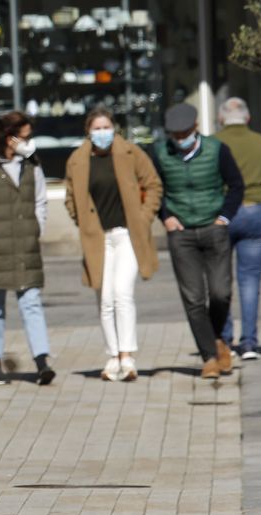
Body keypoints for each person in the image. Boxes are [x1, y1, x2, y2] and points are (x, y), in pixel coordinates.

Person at [63, 107, 164, 382]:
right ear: (88, 131)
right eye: (96, 128)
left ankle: (127, 356)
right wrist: (81, 221)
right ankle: (112, 355)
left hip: (128, 235)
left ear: (114, 128)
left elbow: (153, 184)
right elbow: (71, 197)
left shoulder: (131, 153)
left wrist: (143, 218)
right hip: (98, 238)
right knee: (105, 298)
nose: (102, 133)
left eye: (106, 127)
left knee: (122, 293)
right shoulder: (78, 160)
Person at [152, 102, 245, 379]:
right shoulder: (159, 153)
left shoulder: (217, 150)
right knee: (193, 297)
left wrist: (224, 218)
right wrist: (165, 217)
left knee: (220, 291)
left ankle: (217, 339)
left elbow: (236, 185)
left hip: (213, 227)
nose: (180, 140)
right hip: (181, 233)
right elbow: (153, 188)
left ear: (195, 128)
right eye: (175, 136)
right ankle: (209, 356)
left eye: (184, 134)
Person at [0, 111, 56, 386]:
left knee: (31, 303)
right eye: (24, 137)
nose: (29, 142)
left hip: (25, 244)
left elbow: (41, 201)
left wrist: (36, 226)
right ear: (9, 137)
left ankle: (42, 361)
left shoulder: (33, 165)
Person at [216, 97, 261, 360]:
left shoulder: (215, 143)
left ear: (221, 118)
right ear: (247, 118)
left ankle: (224, 340)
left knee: (220, 280)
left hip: (223, 214)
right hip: (256, 212)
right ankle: (250, 344)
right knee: (250, 280)